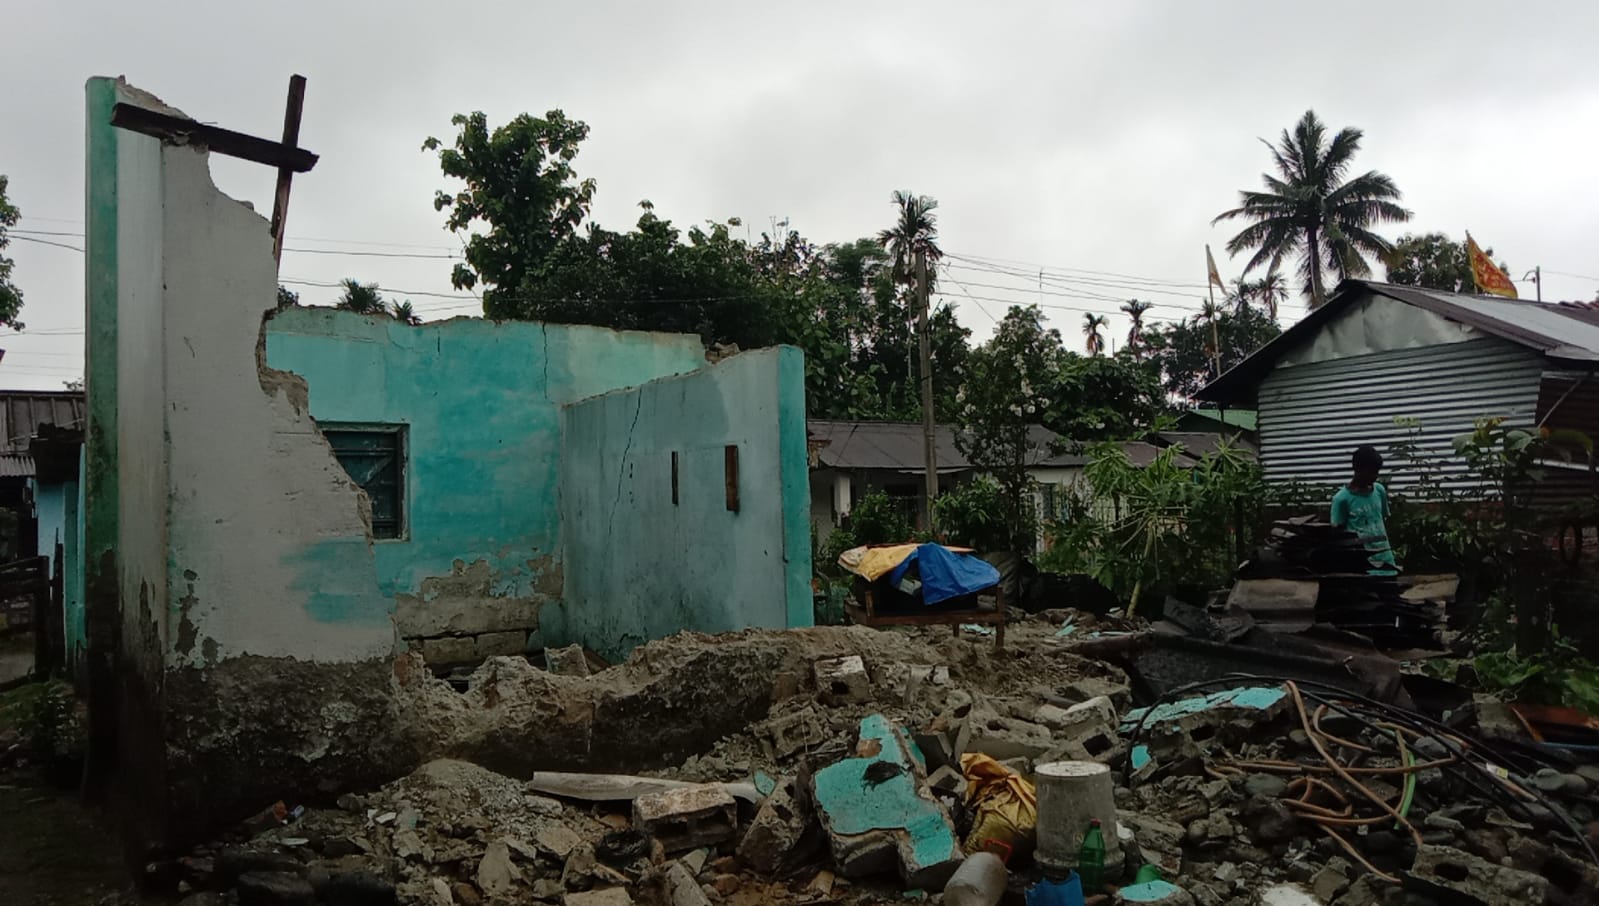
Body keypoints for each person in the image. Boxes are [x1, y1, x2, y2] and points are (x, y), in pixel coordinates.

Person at [1330, 445, 1398, 576]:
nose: (1375, 476)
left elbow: (1382, 520)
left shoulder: (1379, 490)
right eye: (1371, 472)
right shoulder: (1341, 499)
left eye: (1377, 471)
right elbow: (1338, 536)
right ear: (1357, 469)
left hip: (1386, 562)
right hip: (1362, 568)